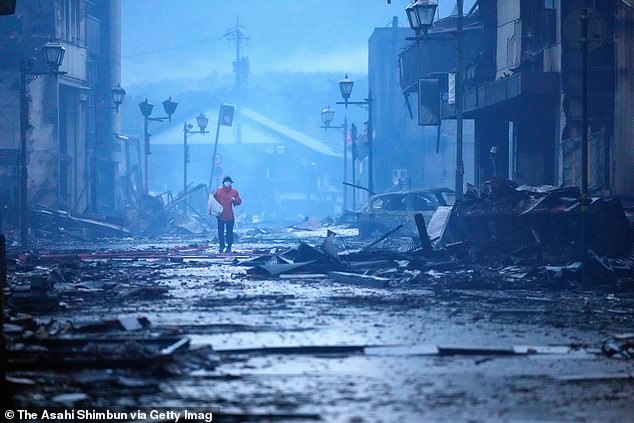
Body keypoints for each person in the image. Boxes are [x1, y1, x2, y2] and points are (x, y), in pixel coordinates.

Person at [213, 176, 242, 253]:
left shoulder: (234, 192)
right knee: (220, 231)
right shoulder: (218, 192)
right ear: (223, 183)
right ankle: (221, 245)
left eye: (229, 182)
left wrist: (234, 200)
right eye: (226, 182)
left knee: (230, 232)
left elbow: (239, 201)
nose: (227, 183)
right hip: (221, 215)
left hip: (230, 215)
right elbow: (214, 201)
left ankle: (229, 246)